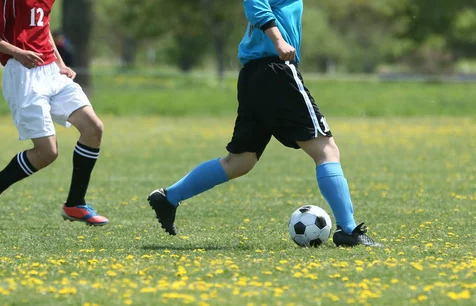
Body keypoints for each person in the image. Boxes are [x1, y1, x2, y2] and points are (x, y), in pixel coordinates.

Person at [148, 0, 381, 247]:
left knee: (240, 161)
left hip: (254, 75)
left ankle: (169, 198)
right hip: (275, 69)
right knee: (326, 150)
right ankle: (348, 230)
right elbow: (254, 3)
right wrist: (278, 40)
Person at [0, 0, 108, 228]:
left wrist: (60, 63)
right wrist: (18, 52)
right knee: (47, 153)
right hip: (23, 73)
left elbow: (42, 26)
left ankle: (75, 203)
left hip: (52, 71)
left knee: (93, 128)